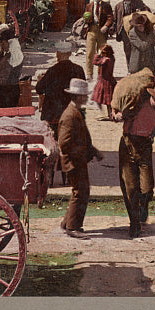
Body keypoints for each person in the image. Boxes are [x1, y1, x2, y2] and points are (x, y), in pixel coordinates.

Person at [118, 83, 155, 238]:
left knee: (147, 188)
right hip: (128, 144)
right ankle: (134, 225)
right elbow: (120, 114)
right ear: (151, 96)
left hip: (145, 147)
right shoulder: (137, 105)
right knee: (131, 188)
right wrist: (117, 115)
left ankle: (143, 207)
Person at [56, 78, 103, 239]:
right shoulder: (70, 115)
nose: (86, 98)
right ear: (77, 97)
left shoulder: (74, 112)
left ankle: (67, 223)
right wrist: (82, 152)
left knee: (79, 191)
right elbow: (64, 143)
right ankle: (73, 227)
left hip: (77, 160)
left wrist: (93, 151)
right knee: (81, 192)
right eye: (84, 96)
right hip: (73, 162)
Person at [35, 49, 86, 137]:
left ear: (57, 54)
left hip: (53, 114)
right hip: (72, 112)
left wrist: (40, 80)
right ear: (70, 54)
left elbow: (39, 89)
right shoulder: (78, 69)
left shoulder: (52, 70)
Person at [111, 0, 150, 70]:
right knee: (127, 50)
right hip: (124, 31)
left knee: (138, 49)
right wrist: (113, 30)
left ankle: (139, 67)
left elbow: (147, 10)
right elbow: (115, 19)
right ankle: (130, 67)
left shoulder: (138, 2)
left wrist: (140, 11)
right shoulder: (118, 6)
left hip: (136, 30)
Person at [0, 25, 24, 107]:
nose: (1, 45)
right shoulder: (11, 54)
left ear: (9, 42)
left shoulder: (12, 56)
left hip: (7, 92)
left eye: (2, 43)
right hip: (8, 91)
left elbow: (3, 77)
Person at [84, 0, 113, 76]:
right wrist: (86, 20)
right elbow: (86, 18)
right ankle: (89, 74)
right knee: (89, 52)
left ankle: (100, 74)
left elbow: (110, 17)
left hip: (102, 31)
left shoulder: (106, 6)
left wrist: (106, 26)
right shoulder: (89, 6)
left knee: (102, 53)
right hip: (91, 30)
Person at [91, 44, 117, 120]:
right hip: (107, 80)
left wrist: (97, 54)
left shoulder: (106, 59)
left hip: (105, 81)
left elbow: (95, 62)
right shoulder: (111, 58)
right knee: (107, 100)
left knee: (104, 99)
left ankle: (108, 115)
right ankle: (109, 114)